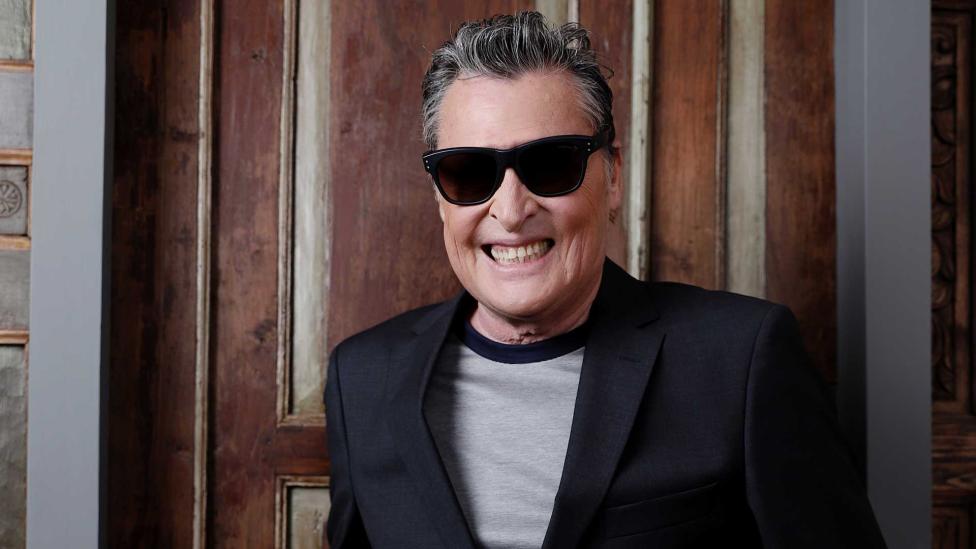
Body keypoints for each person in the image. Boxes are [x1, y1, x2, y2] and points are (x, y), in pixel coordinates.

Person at [324, 11, 886, 549]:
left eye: (551, 164)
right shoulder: (362, 377)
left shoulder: (741, 359)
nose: (511, 211)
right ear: (439, 196)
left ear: (613, 175)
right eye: (468, 172)